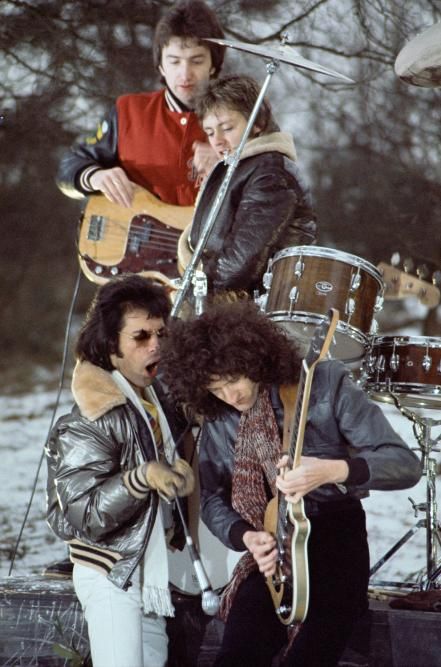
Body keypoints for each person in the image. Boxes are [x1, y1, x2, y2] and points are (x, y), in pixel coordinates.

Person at [159, 301, 422, 667]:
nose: (230, 397)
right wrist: (245, 537)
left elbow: (405, 465)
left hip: (335, 539)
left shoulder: (325, 382)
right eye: (216, 389)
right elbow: (212, 498)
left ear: (254, 359)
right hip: (271, 550)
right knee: (236, 655)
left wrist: (333, 470)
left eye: (234, 380)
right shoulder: (220, 416)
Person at [45, 275, 195, 667]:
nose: (156, 345)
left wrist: (179, 477)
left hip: (149, 573)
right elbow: (84, 514)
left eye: (161, 333)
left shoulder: (153, 401)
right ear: (111, 346)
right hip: (111, 573)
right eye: (140, 337)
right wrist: (141, 479)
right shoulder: (91, 414)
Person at [56, 0, 225, 208]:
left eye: (196, 61)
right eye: (174, 61)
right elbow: (69, 167)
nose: (185, 74)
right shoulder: (127, 111)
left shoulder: (241, 122)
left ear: (213, 64)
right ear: (161, 66)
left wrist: (229, 165)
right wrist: (95, 177)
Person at [179, 74, 317, 297]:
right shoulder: (241, 169)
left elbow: (241, 262)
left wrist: (197, 294)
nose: (217, 140)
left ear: (258, 124)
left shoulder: (270, 172)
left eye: (227, 128)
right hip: (232, 299)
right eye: (210, 132)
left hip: (256, 305)